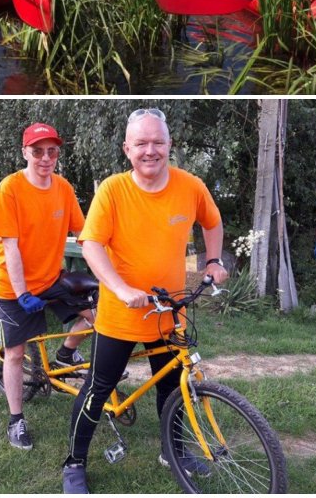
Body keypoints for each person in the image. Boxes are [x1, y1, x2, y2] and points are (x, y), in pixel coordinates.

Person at [61, 109, 228, 494]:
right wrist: (119, 289)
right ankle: (74, 462)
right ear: (127, 148)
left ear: (170, 145)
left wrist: (214, 260)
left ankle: (174, 451)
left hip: (169, 311)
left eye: (157, 142)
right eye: (141, 143)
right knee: (98, 388)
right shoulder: (113, 190)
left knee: (172, 387)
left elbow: (212, 221)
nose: (150, 150)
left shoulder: (190, 186)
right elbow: (90, 244)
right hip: (122, 313)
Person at [0, 122, 92, 451]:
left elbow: (85, 232)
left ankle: (64, 355)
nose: (45, 158)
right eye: (38, 151)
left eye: (52, 152)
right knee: (17, 352)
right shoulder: (11, 188)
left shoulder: (63, 187)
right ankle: (16, 419)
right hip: (13, 283)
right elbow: (11, 247)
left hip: (50, 277)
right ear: (25, 153)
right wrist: (22, 293)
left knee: (96, 315)